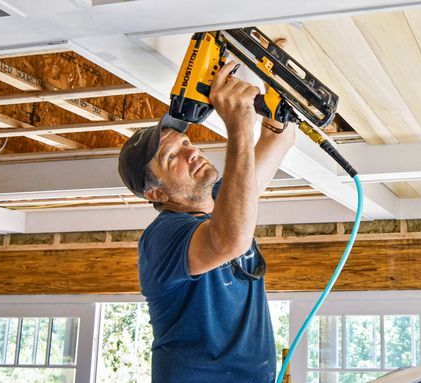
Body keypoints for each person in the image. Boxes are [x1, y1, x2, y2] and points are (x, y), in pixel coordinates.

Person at [117, 61, 295, 382]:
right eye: (171, 157)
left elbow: (278, 139)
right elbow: (229, 240)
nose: (191, 152)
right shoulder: (162, 238)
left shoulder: (224, 200)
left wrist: (272, 76)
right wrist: (239, 124)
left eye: (185, 143)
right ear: (156, 193)